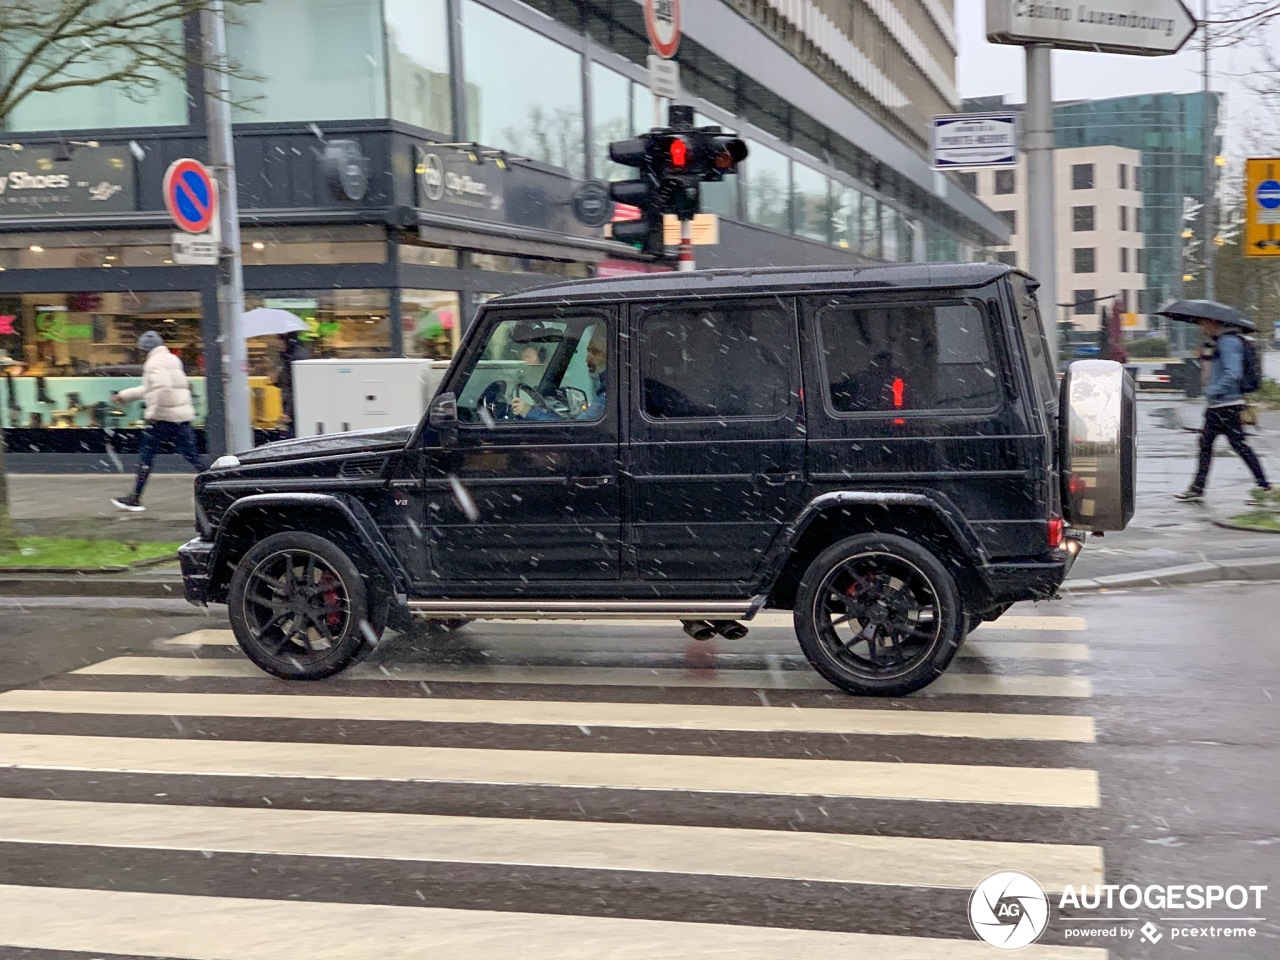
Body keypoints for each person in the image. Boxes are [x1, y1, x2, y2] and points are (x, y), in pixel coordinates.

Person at [1174, 317, 1271, 503]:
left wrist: (1213, 390)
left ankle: (1264, 485)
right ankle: (1198, 488)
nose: (1202, 328)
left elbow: (1233, 372)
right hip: (1218, 406)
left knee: (1237, 445)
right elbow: (1212, 369)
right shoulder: (1218, 341)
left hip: (1227, 405)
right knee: (1208, 445)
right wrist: (1204, 355)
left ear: (1212, 323)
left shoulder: (1228, 341)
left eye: (1203, 324)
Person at [111, 331, 205, 512]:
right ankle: (221, 485)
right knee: (193, 457)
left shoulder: (153, 363)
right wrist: (124, 396)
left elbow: (161, 388)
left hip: (162, 419)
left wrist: (153, 412)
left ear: (145, 349)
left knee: (146, 458)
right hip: (181, 417)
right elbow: (151, 388)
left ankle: (135, 498)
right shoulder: (171, 359)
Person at [511, 329, 607, 422]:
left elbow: (576, 430)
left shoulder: (607, 397)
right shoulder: (609, 391)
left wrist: (530, 412)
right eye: (589, 352)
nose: (587, 359)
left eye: (595, 352)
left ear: (610, 354)